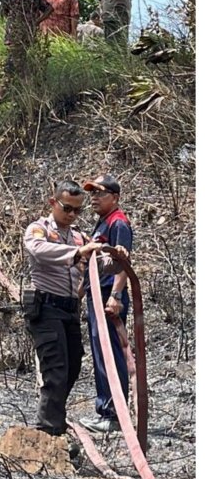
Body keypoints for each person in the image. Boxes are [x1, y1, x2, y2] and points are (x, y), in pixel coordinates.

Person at [23, 181, 128, 436]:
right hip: (46, 308)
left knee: (71, 367)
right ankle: (48, 430)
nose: (71, 215)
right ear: (53, 203)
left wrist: (115, 257)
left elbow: (97, 264)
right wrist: (79, 251)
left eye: (77, 211)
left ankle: (53, 423)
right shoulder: (39, 229)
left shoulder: (78, 235)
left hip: (69, 310)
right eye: (67, 208)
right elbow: (38, 250)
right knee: (55, 369)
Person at [79, 175, 134, 433]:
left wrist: (116, 296)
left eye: (101, 193)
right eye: (92, 193)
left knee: (109, 355)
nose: (94, 198)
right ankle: (107, 410)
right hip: (96, 293)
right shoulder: (102, 223)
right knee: (101, 353)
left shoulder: (118, 223)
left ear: (115, 197)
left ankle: (112, 414)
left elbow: (123, 262)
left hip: (108, 295)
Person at [0, 0, 53, 103]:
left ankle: (30, 95)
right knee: (14, 62)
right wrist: (36, 21)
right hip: (30, 33)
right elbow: (49, 8)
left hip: (14, 33)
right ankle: (1, 93)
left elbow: (2, 14)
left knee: (19, 64)